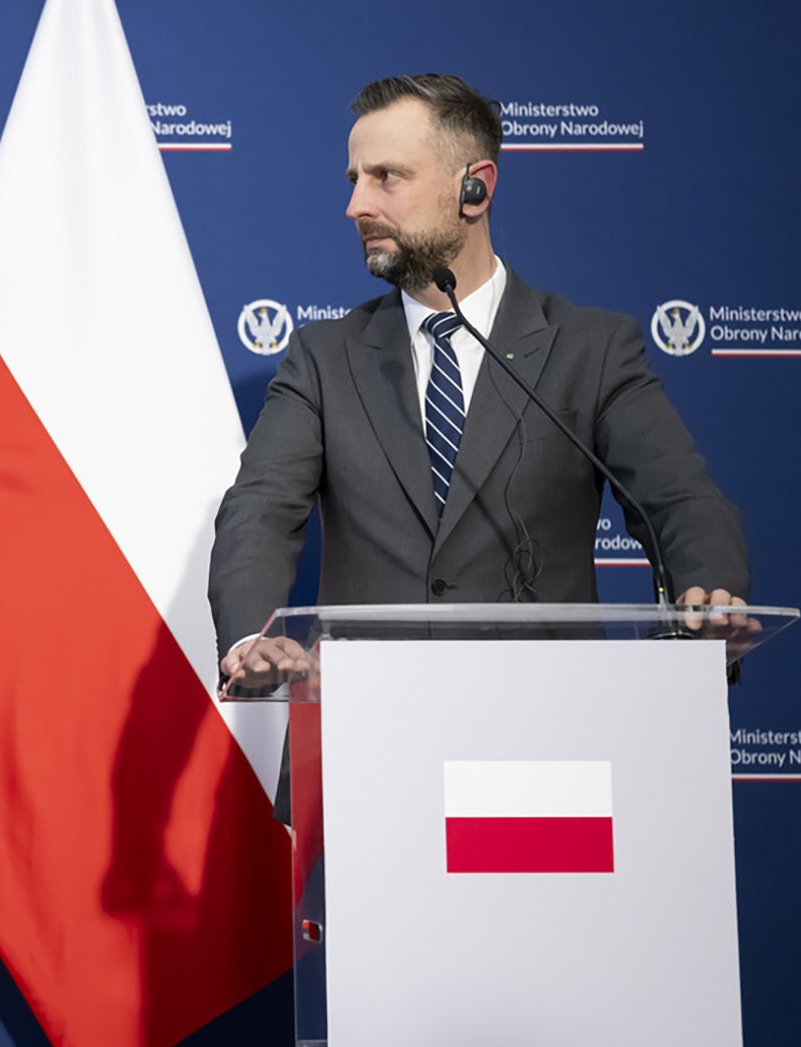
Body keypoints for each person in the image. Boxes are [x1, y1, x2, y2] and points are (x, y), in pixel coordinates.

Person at [209, 73, 750, 691]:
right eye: (355, 180)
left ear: (474, 188)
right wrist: (252, 638)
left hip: (549, 730)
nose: (357, 205)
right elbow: (260, 510)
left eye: (387, 176)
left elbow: (678, 500)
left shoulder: (590, 350)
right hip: (369, 733)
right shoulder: (321, 358)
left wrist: (710, 594)